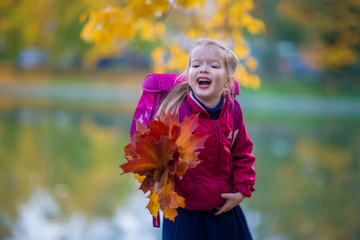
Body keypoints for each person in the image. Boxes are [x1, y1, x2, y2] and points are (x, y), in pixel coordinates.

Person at [156, 39, 256, 240]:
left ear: (228, 80)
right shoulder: (177, 111)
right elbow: (158, 155)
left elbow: (242, 154)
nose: (203, 69)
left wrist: (241, 190)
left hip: (222, 208)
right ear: (188, 75)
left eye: (213, 65)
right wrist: (159, 185)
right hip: (183, 212)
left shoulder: (233, 112)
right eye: (196, 65)